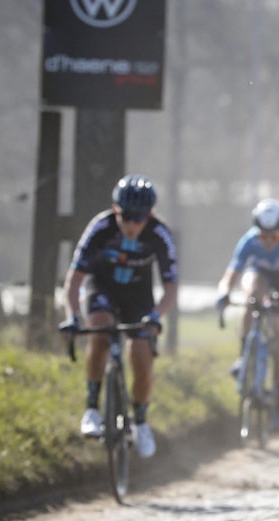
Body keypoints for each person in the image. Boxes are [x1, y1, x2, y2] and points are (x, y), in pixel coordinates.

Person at [59, 174, 178, 460]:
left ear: (149, 215)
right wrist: (73, 317)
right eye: (127, 217)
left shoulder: (160, 234)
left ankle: (140, 421)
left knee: (141, 354)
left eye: (140, 219)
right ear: (116, 210)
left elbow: (171, 288)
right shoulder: (100, 228)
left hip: (139, 297)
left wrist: (156, 316)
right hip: (103, 289)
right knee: (99, 332)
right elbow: (74, 281)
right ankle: (91, 408)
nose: (132, 225)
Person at [215, 198, 279, 432]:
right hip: (262, 276)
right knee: (251, 296)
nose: (267, 242)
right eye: (263, 236)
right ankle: (245, 354)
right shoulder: (249, 240)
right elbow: (232, 274)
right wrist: (224, 293)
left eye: (273, 237)